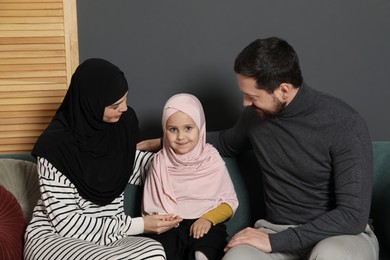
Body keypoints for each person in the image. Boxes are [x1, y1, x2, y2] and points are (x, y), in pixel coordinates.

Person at [137, 37, 380, 259]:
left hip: (337, 237)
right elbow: (225, 142)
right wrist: (165, 142)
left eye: (252, 96)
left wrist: (275, 241)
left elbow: (352, 216)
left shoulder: (344, 123)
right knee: (236, 257)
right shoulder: (256, 118)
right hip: (276, 233)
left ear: (283, 90)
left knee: (330, 256)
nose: (245, 103)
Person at [24, 58, 182, 260]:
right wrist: (142, 224)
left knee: (155, 253)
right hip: (56, 237)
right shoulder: (54, 148)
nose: (124, 108)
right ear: (91, 104)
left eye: (125, 99)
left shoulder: (121, 126)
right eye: (115, 104)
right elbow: (67, 223)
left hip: (109, 237)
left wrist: (179, 156)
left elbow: (128, 166)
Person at [142, 93, 239, 260]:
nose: (181, 137)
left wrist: (208, 219)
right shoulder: (160, 161)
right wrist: (165, 220)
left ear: (200, 128)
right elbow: (151, 208)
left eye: (188, 128)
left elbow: (229, 203)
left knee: (201, 253)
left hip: (206, 221)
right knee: (158, 251)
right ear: (165, 130)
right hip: (170, 224)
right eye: (173, 129)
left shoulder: (211, 157)